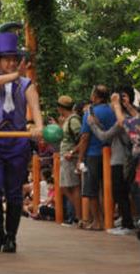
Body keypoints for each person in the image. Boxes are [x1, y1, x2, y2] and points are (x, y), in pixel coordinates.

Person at [0, 31, 43, 253]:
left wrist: (39, 127)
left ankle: (11, 237)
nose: (11, 62)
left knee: (14, 191)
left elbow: (35, 107)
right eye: (6, 59)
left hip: (17, 141)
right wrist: (15, 75)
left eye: (14, 59)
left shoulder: (27, 84)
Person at [87, 91, 135, 235]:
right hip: (121, 159)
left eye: (113, 103)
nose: (111, 106)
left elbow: (104, 137)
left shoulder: (123, 120)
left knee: (120, 192)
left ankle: (127, 224)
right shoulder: (126, 119)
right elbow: (109, 135)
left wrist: (92, 125)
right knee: (120, 192)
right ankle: (125, 221)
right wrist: (97, 123)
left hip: (120, 160)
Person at [76, 85, 116, 231]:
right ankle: (108, 220)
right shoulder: (113, 110)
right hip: (111, 153)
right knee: (107, 188)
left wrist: (80, 158)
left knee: (91, 190)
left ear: (95, 96)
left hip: (93, 154)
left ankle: (98, 222)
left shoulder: (90, 112)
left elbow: (85, 137)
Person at [56, 95, 83, 226]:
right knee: (64, 187)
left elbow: (82, 138)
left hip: (71, 157)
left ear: (61, 108)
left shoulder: (74, 120)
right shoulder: (67, 120)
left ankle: (79, 216)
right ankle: (79, 214)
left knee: (74, 186)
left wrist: (73, 152)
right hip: (65, 156)